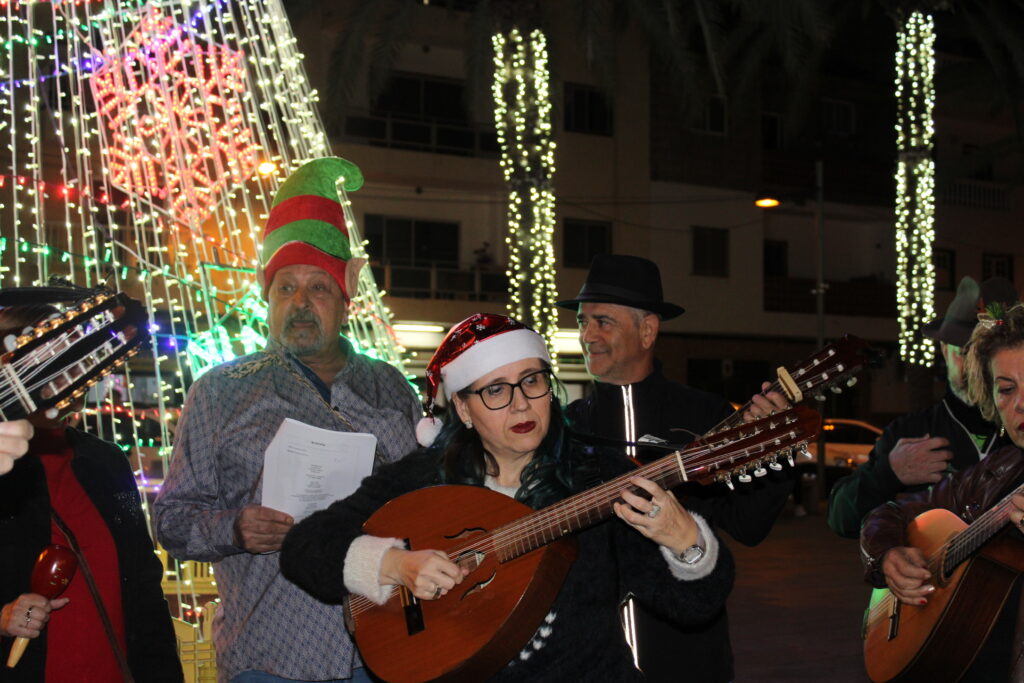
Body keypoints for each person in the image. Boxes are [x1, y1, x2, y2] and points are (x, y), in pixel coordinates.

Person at [279, 312, 734, 682]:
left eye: (532, 381)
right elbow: (304, 548)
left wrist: (686, 541)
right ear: (462, 408)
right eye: (495, 390)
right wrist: (394, 564)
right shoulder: (423, 478)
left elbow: (691, 608)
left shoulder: (598, 479)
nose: (520, 404)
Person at [155, 158, 421, 683]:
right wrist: (235, 527)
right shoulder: (221, 391)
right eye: (285, 288)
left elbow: (426, 497)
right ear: (268, 298)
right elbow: (171, 520)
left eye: (318, 288)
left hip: (384, 643)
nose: (300, 303)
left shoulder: (388, 385)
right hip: (269, 655)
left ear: (345, 299)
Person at [555, 254, 792, 683]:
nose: (587, 334)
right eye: (582, 322)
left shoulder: (704, 417)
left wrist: (770, 455)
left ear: (648, 330)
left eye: (602, 321)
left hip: (688, 657)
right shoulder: (566, 427)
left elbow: (750, 526)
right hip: (589, 663)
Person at [0, 303, 182, 683]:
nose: (70, 375)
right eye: (49, 363)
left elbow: (144, 589)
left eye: (74, 360)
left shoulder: (105, 463)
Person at [861, 302, 1024, 681]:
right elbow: (891, 512)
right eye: (1006, 389)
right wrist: (886, 555)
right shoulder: (993, 471)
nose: (1020, 404)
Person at [828, 276, 1018, 538]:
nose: (977, 367)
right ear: (944, 349)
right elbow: (841, 519)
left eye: (987, 356)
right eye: (967, 351)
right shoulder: (912, 432)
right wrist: (888, 474)